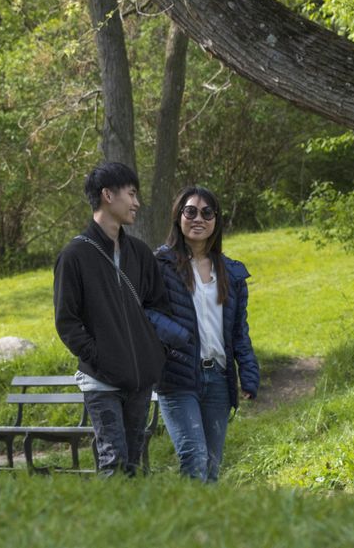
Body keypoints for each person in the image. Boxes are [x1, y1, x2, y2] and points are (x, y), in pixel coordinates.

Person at [53, 161, 188, 477]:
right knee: (113, 460)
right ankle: (108, 526)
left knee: (132, 463)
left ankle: (129, 525)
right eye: (131, 194)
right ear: (107, 196)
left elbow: (159, 308)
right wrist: (100, 358)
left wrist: (154, 353)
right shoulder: (74, 256)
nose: (137, 202)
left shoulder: (140, 254)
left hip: (140, 378)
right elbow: (67, 321)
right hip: (100, 379)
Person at [150, 186, 260, 482]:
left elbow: (239, 331)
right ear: (179, 217)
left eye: (207, 213)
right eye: (191, 211)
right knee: (194, 458)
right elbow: (143, 312)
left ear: (216, 220)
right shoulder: (160, 266)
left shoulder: (232, 273)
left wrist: (248, 373)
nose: (198, 219)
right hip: (177, 377)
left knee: (211, 465)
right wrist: (176, 336)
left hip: (218, 380)